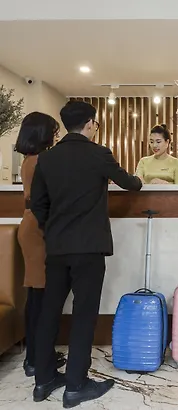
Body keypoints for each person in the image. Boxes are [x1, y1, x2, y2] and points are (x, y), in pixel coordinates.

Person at [30, 101, 142, 407]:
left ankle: (43, 381)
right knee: (83, 314)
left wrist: (52, 229)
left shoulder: (47, 158)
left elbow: (37, 204)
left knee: (50, 312)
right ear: (90, 124)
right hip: (89, 248)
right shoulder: (99, 154)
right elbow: (130, 184)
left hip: (57, 247)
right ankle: (76, 385)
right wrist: (140, 180)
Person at [15, 112, 66, 378]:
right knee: (40, 296)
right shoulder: (39, 161)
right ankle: (34, 359)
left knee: (38, 294)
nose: (55, 136)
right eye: (53, 132)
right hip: (38, 229)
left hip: (32, 226)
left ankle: (37, 354)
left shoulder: (30, 159)